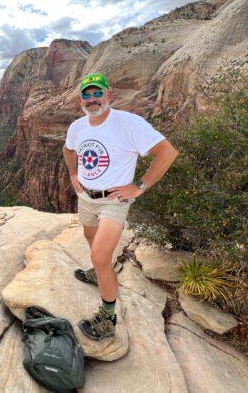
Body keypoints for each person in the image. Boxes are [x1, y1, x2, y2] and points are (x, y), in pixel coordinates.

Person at [62, 72, 179, 340]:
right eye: (87, 95)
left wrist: (139, 186)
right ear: (81, 99)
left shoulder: (128, 124)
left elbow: (167, 152)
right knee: (91, 240)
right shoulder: (77, 127)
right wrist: (73, 174)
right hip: (87, 197)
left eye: (97, 93)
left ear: (109, 96)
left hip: (114, 201)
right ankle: (98, 274)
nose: (92, 99)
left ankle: (108, 318)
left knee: (100, 256)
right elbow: (69, 150)